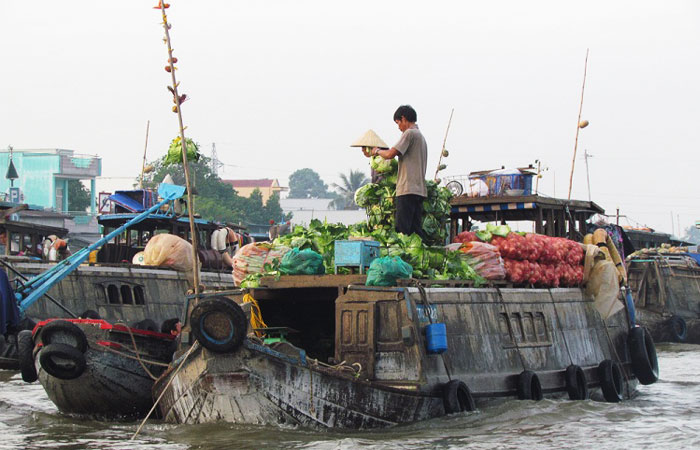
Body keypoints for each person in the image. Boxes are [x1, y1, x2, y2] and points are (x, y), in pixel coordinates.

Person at [365, 105, 427, 238]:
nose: (399, 127)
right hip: (419, 190)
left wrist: (376, 151)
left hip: (407, 188)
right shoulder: (420, 136)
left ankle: (403, 257)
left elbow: (390, 154)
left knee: (403, 230)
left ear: (403, 119)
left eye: (398, 123)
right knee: (415, 231)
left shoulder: (409, 133)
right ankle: (417, 256)